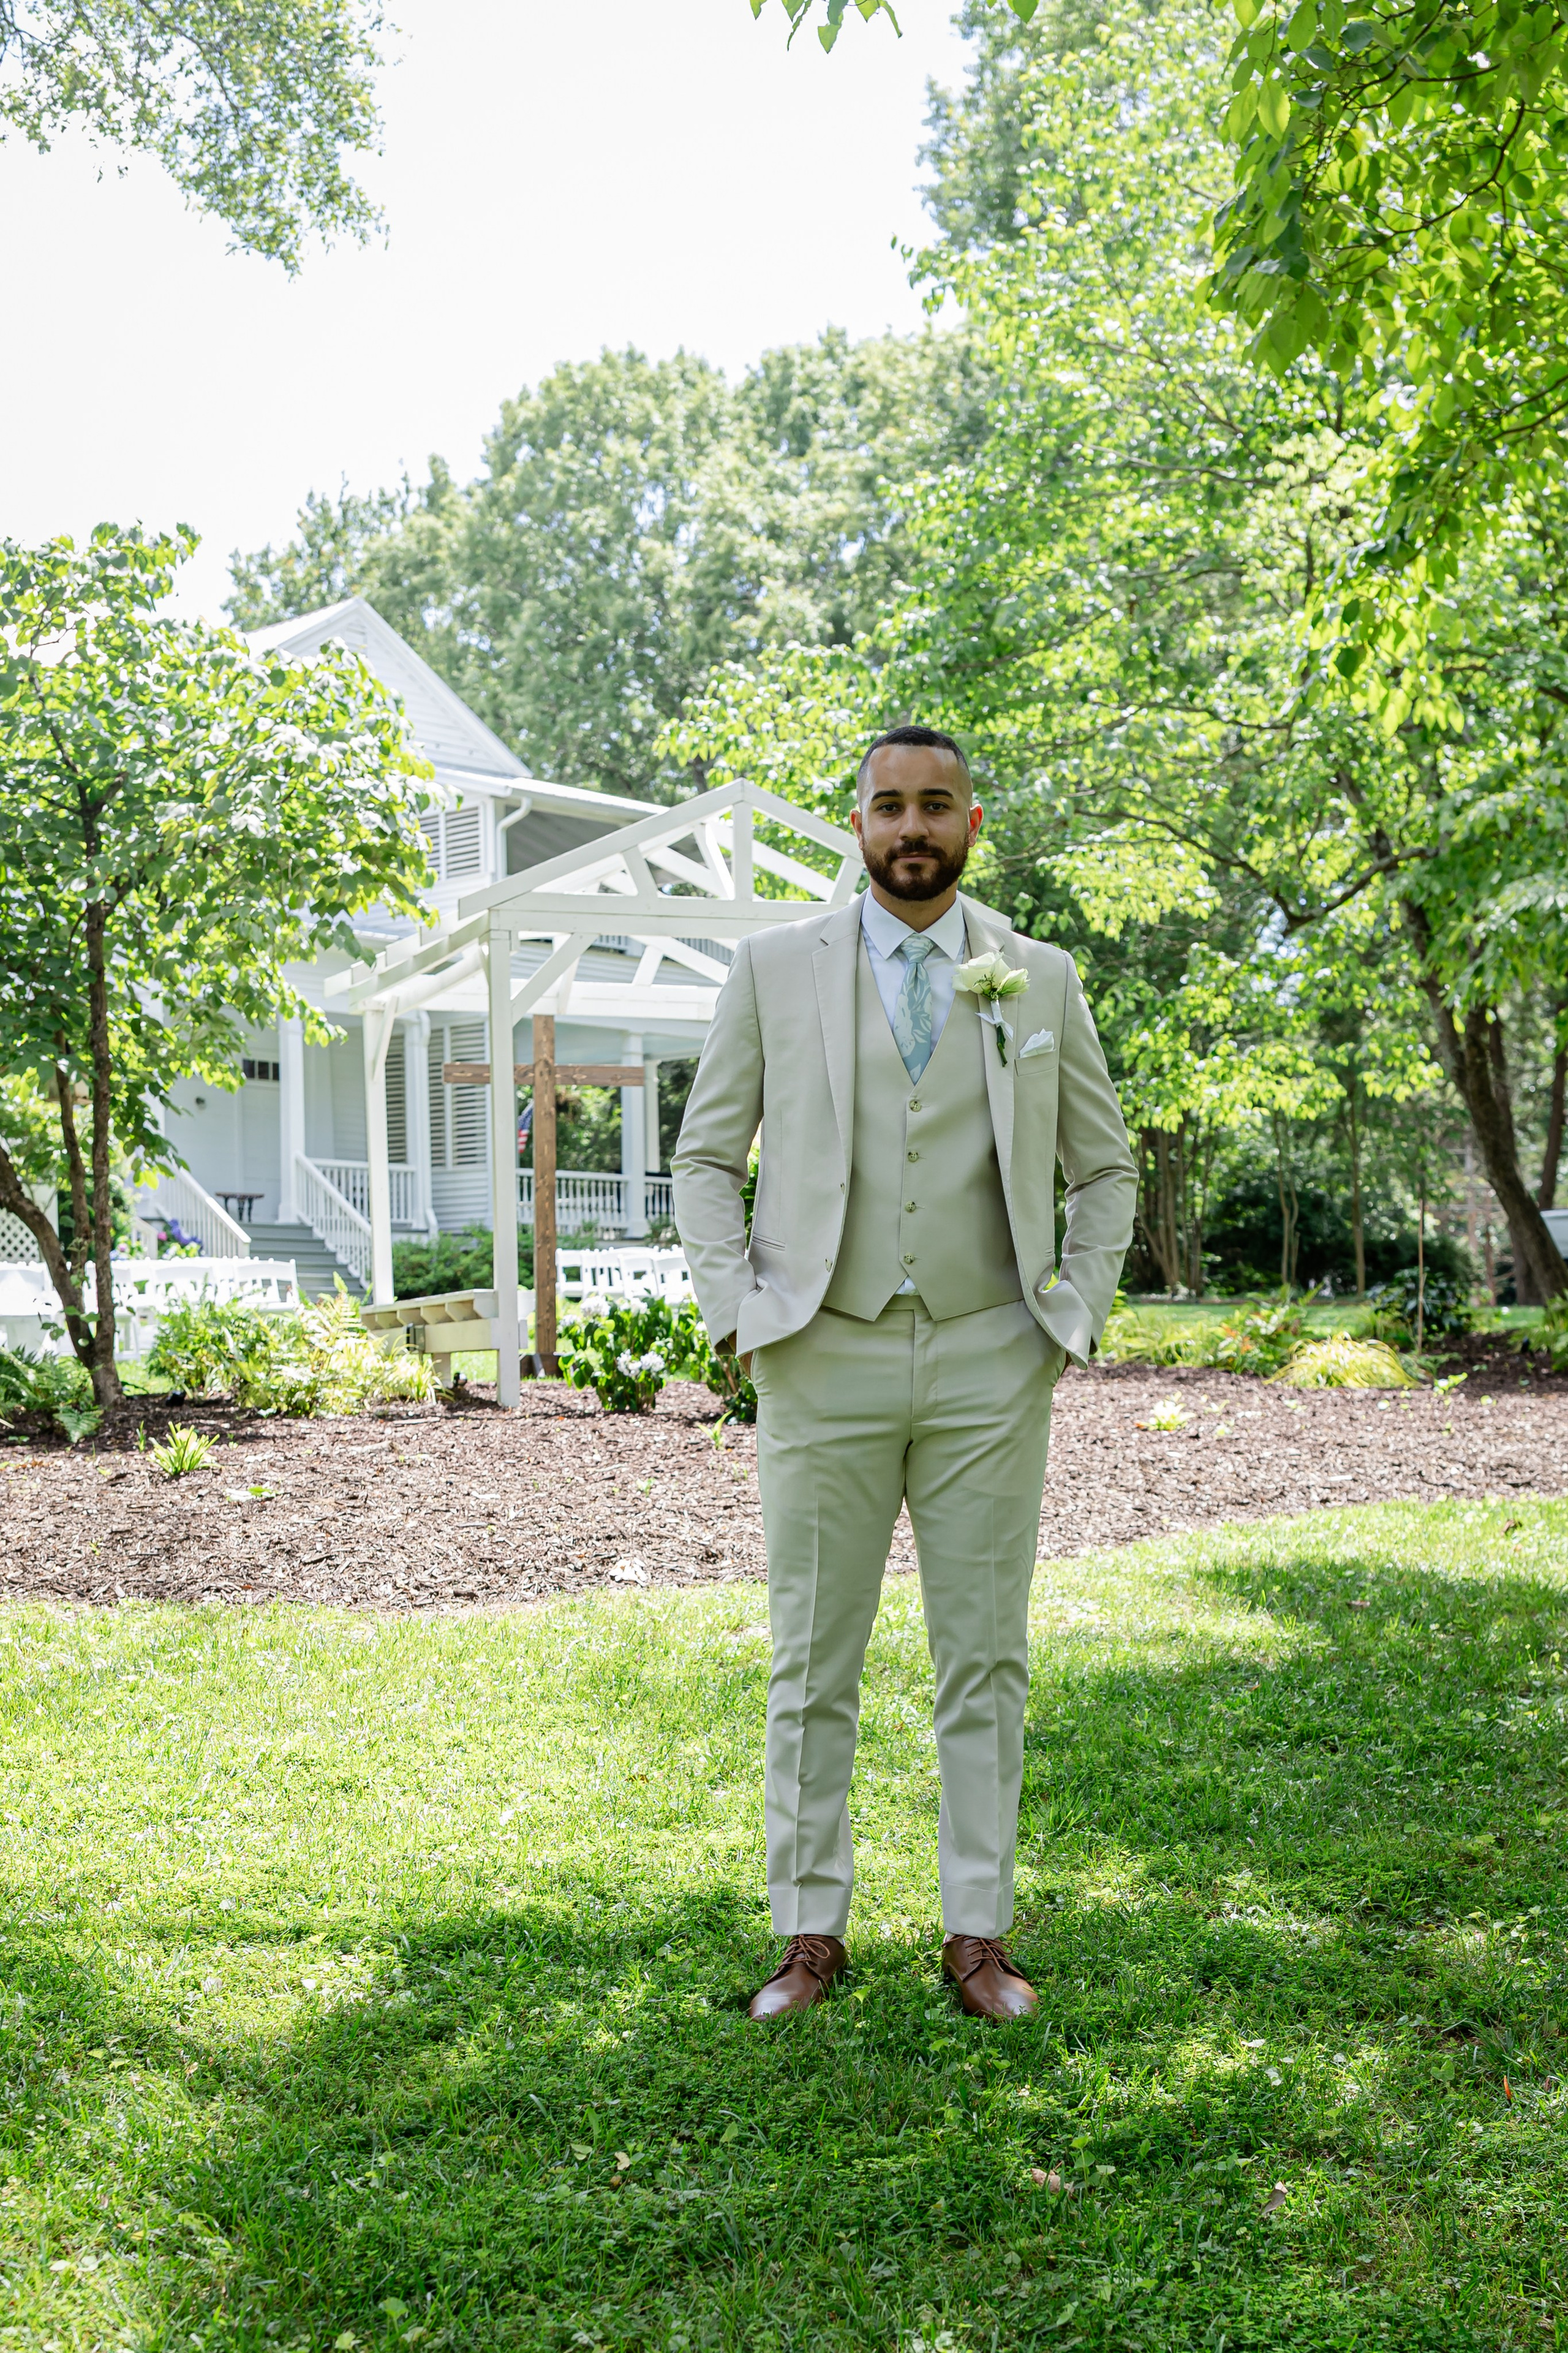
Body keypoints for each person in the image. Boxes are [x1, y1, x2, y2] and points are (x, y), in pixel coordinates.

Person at [672, 727, 1137, 2020]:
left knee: (982, 1659)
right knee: (810, 1656)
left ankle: (975, 1933)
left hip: (995, 1351)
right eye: (888, 806)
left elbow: (1105, 1170)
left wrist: (1069, 1314)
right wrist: (743, 1312)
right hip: (820, 1349)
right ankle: (807, 1932)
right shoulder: (773, 969)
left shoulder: (1035, 978)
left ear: (971, 823)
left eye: (935, 806)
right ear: (858, 823)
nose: (910, 827)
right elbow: (704, 1159)